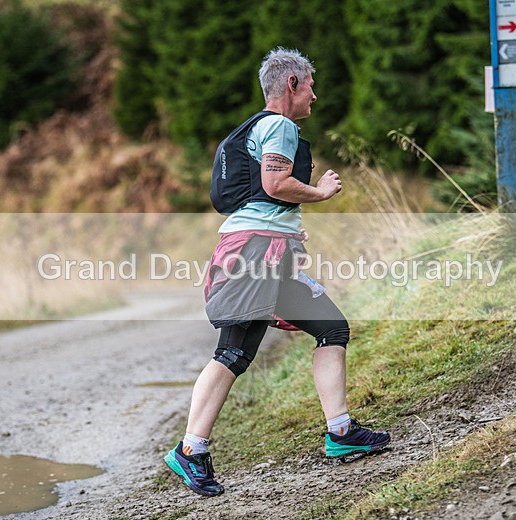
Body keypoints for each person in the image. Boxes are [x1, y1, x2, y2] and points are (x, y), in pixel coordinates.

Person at [164, 47, 391, 497]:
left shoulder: (259, 127)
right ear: (292, 84)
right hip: (253, 255)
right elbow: (275, 184)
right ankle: (190, 451)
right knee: (233, 351)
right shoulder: (280, 125)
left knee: (331, 327)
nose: (314, 95)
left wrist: (287, 233)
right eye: (310, 85)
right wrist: (321, 192)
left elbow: (263, 197)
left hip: (263, 251)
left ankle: (341, 431)